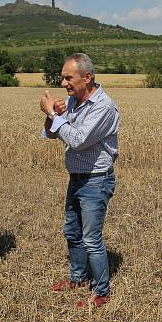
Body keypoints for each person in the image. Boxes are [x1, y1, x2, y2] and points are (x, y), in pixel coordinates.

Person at [40, 53, 119, 308]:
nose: (63, 83)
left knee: (91, 238)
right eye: (62, 78)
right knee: (71, 231)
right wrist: (53, 116)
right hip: (76, 178)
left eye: (68, 78)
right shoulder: (74, 101)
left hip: (96, 181)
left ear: (87, 77)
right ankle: (78, 278)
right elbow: (51, 134)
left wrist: (54, 114)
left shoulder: (103, 107)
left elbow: (77, 139)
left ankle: (101, 292)